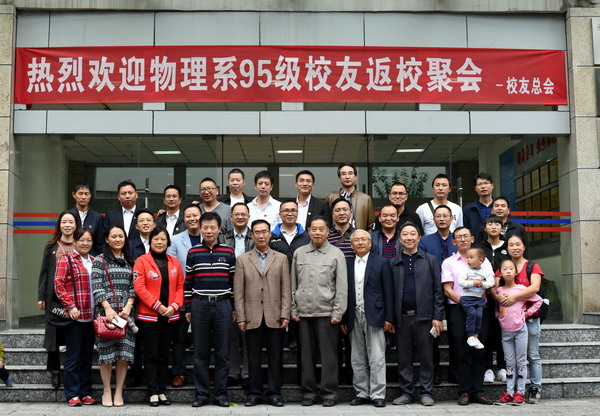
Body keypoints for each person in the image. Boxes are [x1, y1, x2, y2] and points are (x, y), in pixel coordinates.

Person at [291, 216, 347, 407]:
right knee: (306, 357)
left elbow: (341, 286)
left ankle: (329, 393)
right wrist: (293, 308)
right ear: (308, 231)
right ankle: (308, 392)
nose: (317, 232)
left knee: (329, 357)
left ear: (328, 231)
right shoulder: (299, 253)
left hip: (327, 313)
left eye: (321, 229)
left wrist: (338, 312)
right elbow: (293, 283)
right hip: (304, 313)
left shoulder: (336, 254)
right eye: (313, 229)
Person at [234, 219, 291, 407]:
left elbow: (286, 289)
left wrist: (285, 313)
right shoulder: (243, 259)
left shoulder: (281, 258)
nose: (260, 235)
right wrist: (241, 316)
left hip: (275, 314)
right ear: (252, 235)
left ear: (270, 234)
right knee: (253, 357)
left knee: (276, 356)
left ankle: (275, 393)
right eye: (257, 232)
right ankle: (254, 393)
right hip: (252, 315)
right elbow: (238, 291)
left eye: (264, 232)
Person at [184, 212, 236, 408]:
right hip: (200, 305)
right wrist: (188, 307)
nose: (208, 231)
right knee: (200, 352)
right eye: (205, 227)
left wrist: (234, 307)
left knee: (223, 353)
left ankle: (221, 395)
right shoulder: (193, 252)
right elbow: (188, 282)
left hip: (223, 305)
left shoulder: (228, 252)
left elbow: (234, 282)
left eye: (212, 227)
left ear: (219, 229)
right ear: (200, 228)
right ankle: (201, 394)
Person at [390, 222, 444, 407]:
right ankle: (406, 392)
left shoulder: (430, 260)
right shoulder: (393, 262)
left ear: (419, 237)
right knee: (404, 357)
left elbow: (437, 291)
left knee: (426, 357)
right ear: (399, 239)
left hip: (425, 317)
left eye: (413, 234)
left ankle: (426, 392)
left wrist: (437, 316)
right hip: (402, 317)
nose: (409, 237)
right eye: (405, 234)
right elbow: (390, 293)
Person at [441, 227, 494, 406]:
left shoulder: (484, 260)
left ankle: (478, 390)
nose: (463, 239)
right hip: (458, 309)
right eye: (458, 237)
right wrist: (465, 303)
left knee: (479, 348)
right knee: (461, 350)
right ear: (453, 242)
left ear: (472, 239)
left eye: (466, 236)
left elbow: (490, 282)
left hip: (480, 308)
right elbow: (448, 289)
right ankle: (464, 390)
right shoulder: (448, 262)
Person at [341, 229, 393, 408]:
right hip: (353, 314)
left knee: (377, 356)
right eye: (356, 240)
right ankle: (362, 392)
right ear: (351, 245)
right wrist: (343, 319)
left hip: (375, 314)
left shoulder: (382, 262)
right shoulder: (346, 263)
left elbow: (389, 291)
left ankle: (378, 394)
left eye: (364, 239)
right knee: (357, 357)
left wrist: (389, 317)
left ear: (370, 243)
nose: (360, 242)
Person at [133, 228, 184, 407]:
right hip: (149, 317)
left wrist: (174, 307)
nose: (160, 242)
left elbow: (180, 287)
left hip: (170, 316)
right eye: (156, 239)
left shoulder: (174, 262)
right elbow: (139, 288)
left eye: (163, 239)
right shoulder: (141, 261)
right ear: (150, 241)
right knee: (151, 354)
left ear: (168, 242)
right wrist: (158, 306)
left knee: (164, 354)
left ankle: (162, 390)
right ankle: (152, 391)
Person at [492, 234, 544, 404]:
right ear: (506, 248)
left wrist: (520, 304)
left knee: (532, 355)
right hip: (507, 326)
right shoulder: (504, 267)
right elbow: (494, 289)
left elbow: (535, 289)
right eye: (511, 245)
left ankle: (533, 389)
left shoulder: (532, 266)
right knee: (510, 361)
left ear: (524, 246)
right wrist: (499, 308)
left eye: (518, 244)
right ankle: (510, 392)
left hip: (527, 320)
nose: (514, 247)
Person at [91, 225, 136, 407]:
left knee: (124, 354)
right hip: (106, 312)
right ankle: (106, 390)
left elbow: (135, 286)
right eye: (114, 236)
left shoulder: (131, 260)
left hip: (126, 313)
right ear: (106, 239)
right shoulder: (100, 260)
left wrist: (129, 306)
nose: (118, 239)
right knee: (106, 353)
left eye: (121, 236)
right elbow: (96, 285)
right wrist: (107, 308)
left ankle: (118, 390)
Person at [37, 210, 81, 389]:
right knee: (53, 336)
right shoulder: (51, 246)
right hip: (54, 298)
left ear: (76, 225)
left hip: (76, 299)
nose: (67, 225)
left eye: (71, 222)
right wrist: (41, 296)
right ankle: (55, 371)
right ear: (59, 225)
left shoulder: (81, 245)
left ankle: (73, 370)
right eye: (64, 222)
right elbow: (44, 272)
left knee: (73, 334)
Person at [54, 227, 96, 406]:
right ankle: (72, 393)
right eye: (82, 240)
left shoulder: (95, 261)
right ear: (75, 242)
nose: (85, 243)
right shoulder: (66, 259)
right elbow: (58, 285)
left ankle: (85, 392)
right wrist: (70, 306)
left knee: (87, 356)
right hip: (75, 317)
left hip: (92, 316)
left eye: (88, 240)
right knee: (73, 356)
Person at [219, 202, 254, 388]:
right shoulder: (222, 238)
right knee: (231, 335)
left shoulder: (255, 236)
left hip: (252, 290)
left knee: (249, 334)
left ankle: (247, 372)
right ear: (231, 218)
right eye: (237, 214)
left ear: (249, 217)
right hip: (227, 289)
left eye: (243, 214)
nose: (240, 217)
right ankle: (233, 371)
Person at [167, 204, 202, 388]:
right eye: (188, 216)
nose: (192, 219)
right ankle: (178, 372)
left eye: (195, 215)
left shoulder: (210, 236)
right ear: (183, 219)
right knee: (179, 338)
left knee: (202, 338)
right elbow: (172, 267)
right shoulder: (175, 240)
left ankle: (202, 374)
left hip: (204, 295)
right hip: (181, 295)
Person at [480, 215, 509, 383]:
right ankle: (488, 368)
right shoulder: (479, 248)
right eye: (490, 223)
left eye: (497, 224)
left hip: (505, 298)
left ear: (502, 227)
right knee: (486, 332)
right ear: (485, 228)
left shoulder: (508, 247)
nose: (493, 226)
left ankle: (503, 366)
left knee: (502, 332)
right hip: (485, 298)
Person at [459, 247, 495, 350]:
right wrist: (472, 283)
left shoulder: (485, 270)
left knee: (479, 316)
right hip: (467, 298)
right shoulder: (466, 269)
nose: (468, 260)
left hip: (479, 299)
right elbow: (460, 282)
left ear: (480, 260)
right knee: (472, 314)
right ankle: (470, 336)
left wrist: (481, 284)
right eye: (467, 257)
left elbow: (491, 282)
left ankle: (475, 337)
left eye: (471, 257)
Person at [326, 163, 374, 231]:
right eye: (343, 174)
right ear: (339, 178)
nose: (347, 177)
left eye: (350, 173)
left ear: (355, 177)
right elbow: (326, 224)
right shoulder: (331, 198)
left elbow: (371, 225)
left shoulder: (366, 199)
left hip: (359, 237)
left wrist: (365, 236)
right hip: (336, 237)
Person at [69, 183, 104, 255]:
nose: (83, 197)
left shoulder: (97, 217)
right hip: (70, 256)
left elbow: (99, 243)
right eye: (80, 194)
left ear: (90, 195)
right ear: (74, 195)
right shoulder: (68, 215)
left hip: (91, 257)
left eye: (86, 194)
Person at [463, 173, 494, 244]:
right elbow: (466, 231)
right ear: (475, 188)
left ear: (492, 185)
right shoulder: (469, 209)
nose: (483, 186)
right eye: (479, 184)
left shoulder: (499, 206)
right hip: (477, 247)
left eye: (486, 183)